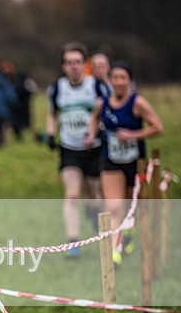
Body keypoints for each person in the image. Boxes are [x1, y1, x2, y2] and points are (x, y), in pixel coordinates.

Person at [86, 61, 163, 265]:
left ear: (129, 81)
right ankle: (114, 252)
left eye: (123, 78)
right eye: (115, 78)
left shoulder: (138, 103)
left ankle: (128, 233)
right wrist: (91, 135)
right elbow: (93, 119)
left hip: (135, 162)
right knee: (113, 208)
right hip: (111, 160)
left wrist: (133, 135)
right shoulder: (102, 103)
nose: (119, 82)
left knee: (132, 206)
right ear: (110, 81)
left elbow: (158, 127)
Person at [45, 41, 105, 258]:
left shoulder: (96, 87)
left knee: (94, 197)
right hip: (69, 148)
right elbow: (52, 113)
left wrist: (96, 133)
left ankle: (93, 213)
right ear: (63, 66)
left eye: (78, 62)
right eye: (69, 63)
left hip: (93, 149)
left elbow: (106, 113)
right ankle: (73, 243)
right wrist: (50, 133)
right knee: (72, 195)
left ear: (85, 64)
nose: (74, 67)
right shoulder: (57, 89)